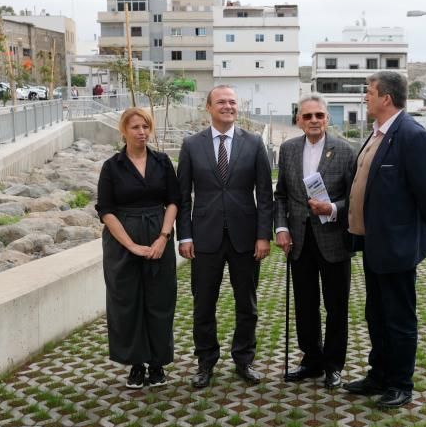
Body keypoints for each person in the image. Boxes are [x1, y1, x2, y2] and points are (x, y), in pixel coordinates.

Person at [343, 71, 426, 409]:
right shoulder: (377, 133)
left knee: (399, 318)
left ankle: (400, 383)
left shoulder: (411, 134)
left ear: (386, 98)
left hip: (397, 244)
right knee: (376, 313)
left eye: (370, 92)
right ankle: (379, 375)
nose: (366, 97)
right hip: (374, 243)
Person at [177, 84, 273, 388]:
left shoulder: (255, 143)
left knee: (247, 304)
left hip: (246, 238)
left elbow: (265, 193)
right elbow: (183, 198)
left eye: (232, 101)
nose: (228, 106)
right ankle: (205, 362)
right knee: (203, 303)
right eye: (221, 102)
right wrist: (185, 236)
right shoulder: (191, 144)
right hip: (204, 238)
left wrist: (263, 235)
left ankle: (244, 359)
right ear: (208, 107)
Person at [275, 93, 355, 390]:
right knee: (305, 304)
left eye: (319, 116)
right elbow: (281, 195)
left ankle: (333, 366)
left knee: (336, 306)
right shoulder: (288, 150)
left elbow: (355, 198)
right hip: (298, 240)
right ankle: (311, 360)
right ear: (298, 119)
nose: (313, 121)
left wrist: (333, 209)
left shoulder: (345, 151)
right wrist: (281, 228)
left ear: (327, 118)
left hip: (333, 239)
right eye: (307, 116)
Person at [96, 107, 179, 390]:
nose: (141, 132)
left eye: (145, 126)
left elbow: (174, 201)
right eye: (135, 127)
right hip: (122, 241)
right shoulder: (112, 166)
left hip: (159, 234)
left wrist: (163, 237)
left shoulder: (163, 161)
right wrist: (131, 245)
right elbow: (105, 210)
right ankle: (135, 364)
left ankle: (157, 363)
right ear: (123, 131)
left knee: (159, 300)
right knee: (127, 302)